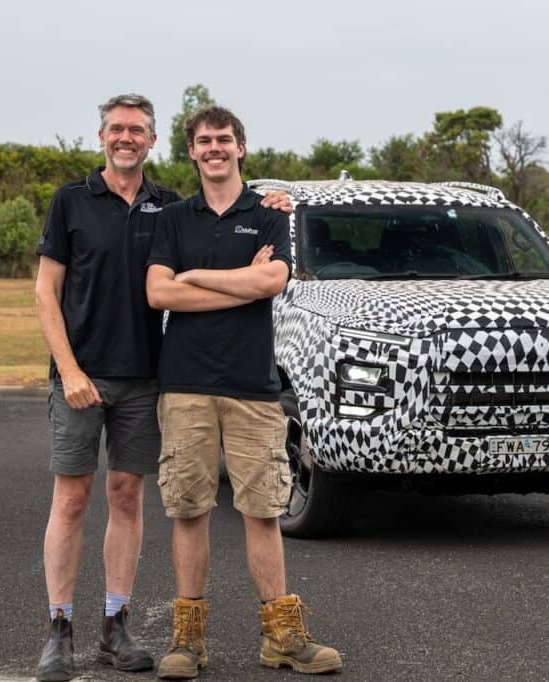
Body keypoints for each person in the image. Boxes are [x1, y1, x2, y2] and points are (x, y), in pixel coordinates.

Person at [34, 94, 291, 682]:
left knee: (128, 498)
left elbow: (247, 272)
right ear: (102, 136)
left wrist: (276, 205)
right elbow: (48, 292)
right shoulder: (71, 201)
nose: (126, 137)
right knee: (71, 500)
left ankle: (115, 626)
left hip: (149, 378)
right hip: (82, 376)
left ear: (152, 142)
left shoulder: (167, 208)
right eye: (117, 128)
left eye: (138, 130)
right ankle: (57, 628)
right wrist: (69, 371)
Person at [146, 105, 342, 679]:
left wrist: (196, 276)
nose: (214, 148)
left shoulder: (268, 212)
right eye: (204, 140)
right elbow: (158, 293)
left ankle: (282, 636)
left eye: (224, 139)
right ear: (190, 151)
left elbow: (272, 281)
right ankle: (188, 642)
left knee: (262, 510)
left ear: (241, 148)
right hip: (185, 385)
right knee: (190, 510)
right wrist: (238, 285)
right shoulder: (174, 218)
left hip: (254, 386)